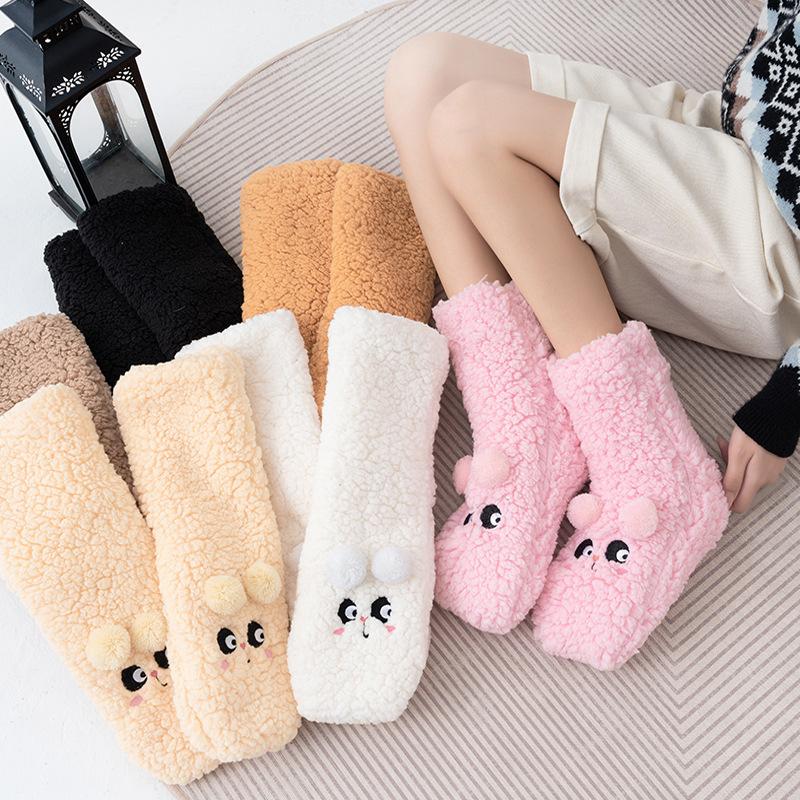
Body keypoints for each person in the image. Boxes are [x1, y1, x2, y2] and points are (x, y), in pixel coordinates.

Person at [382, 3, 799, 659]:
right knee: (422, 75)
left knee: (468, 126)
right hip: (738, 118)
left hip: (778, 233)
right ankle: (523, 417)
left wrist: (790, 398)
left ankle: (650, 457)